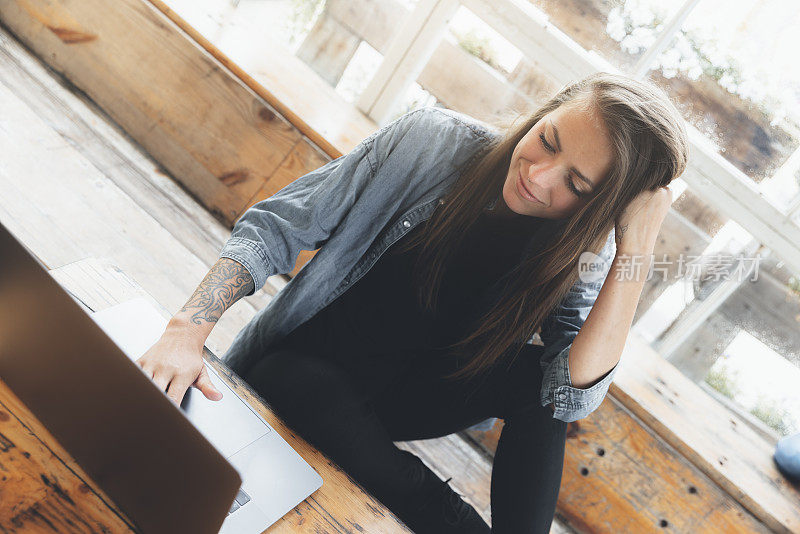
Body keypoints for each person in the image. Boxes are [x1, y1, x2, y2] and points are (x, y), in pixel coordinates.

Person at [136, 71, 688, 533]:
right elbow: (277, 227)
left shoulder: (576, 253)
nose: (538, 177)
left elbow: (570, 398)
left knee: (540, 388)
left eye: (578, 185)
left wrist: (633, 253)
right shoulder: (432, 142)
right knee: (294, 379)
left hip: (406, 401)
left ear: (599, 209)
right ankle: (441, 513)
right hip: (304, 373)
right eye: (547, 140)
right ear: (545, 112)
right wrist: (186, 331)